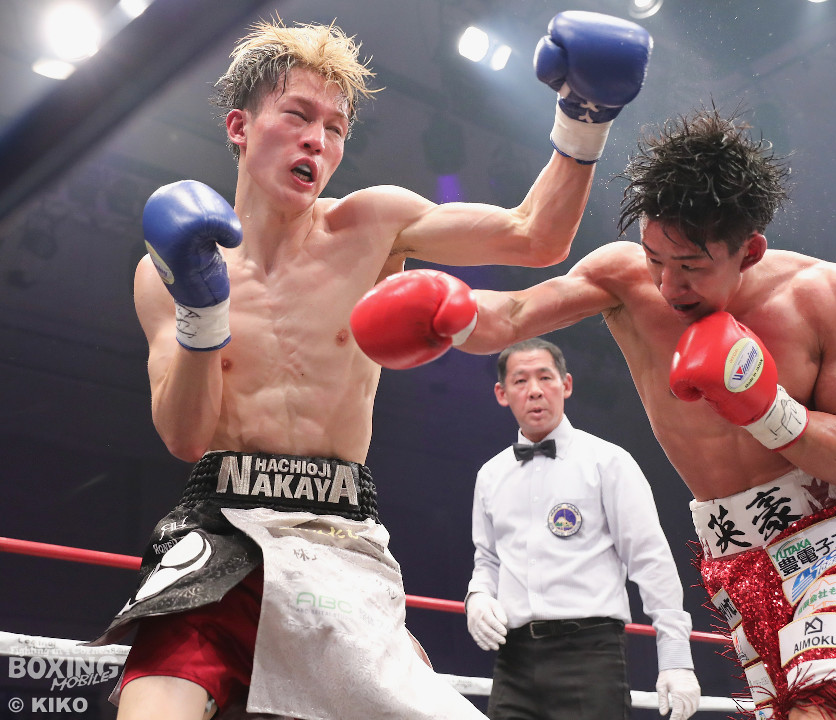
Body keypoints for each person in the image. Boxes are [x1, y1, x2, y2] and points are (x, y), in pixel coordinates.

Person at [90, 12, 654, 720]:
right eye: (298, 115)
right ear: (239, 126)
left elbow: (534, 236)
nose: (317, 140)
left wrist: (585, 120)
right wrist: (204, 310)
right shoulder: (165, 271)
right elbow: (184, 437)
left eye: (334, 128)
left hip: (339, 538)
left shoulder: (370, 225)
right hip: (219, 535)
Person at [350, 106, 836, 720]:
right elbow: (511, 315)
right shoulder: (623, 278)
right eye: (655, 259)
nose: (668, 286)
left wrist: (765, 408)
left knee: (827, 712)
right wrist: (447, 312)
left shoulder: (825, 294)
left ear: (749, 250)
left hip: (834, 535)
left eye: (691, 267)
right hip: (735, 555)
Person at [465, 338, 700, 720]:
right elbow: (488, 559)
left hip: (590, 656)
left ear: (566, 384)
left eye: (545, 377)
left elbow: (649, 559)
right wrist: (477, 595)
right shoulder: (491, 475)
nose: (535, 390)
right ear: (502, 394)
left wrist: (676, 657)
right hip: (514, 661)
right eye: (521, 380)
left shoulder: (608, 462)